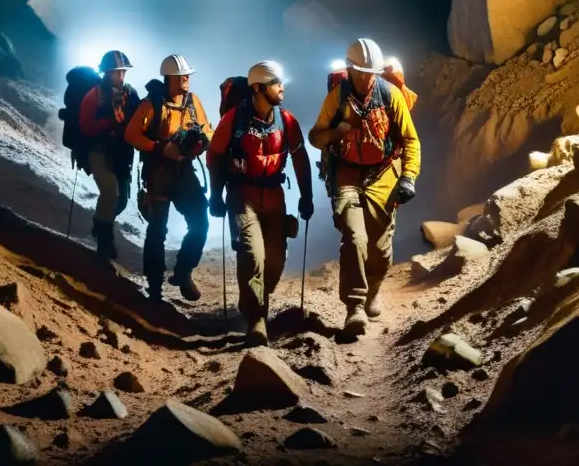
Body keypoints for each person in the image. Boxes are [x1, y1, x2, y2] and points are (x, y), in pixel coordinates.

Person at [309, 38, 421, 337]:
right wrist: (338, 130)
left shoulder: (391, 95)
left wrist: (408, 177)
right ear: (349, 69)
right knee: (355, 237)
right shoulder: (337, 97)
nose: (365, 77)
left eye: (370, 71)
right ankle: (355, 306)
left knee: (381, 248)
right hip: (346, 175)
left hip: (384, 175)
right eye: (359, 71)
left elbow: (410, 140)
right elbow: (315, 137)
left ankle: (373, 292)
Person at [207, 61, 314, 346]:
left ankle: (260, 298)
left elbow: (300, 158)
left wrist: (307, 195)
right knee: (252, 254)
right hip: (243, 195)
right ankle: (256, 319)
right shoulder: (234, 119)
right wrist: (215, 195)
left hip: (275, 196)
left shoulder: (287, 121)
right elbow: (215, 156)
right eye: (276, 83)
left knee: (275, 261)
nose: (282, 88)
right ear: (258, 88)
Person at [125, 54, 214, 302]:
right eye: (182, 75)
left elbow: (207, 130)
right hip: (159, 171)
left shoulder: (193, 102)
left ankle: (183, 272)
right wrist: (159, 147)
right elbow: (132, 135)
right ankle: (155, 289)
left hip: (184, 171)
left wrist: (201, 144)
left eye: (187, 75)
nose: (187, 78)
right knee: (157, 230)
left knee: (200, 221)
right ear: (169, 78)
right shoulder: (151, 104)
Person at [77, 50, 140, 263]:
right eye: (116, 72)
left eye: (123, 71)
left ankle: (102, 224)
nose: (121, 76)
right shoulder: (94, 95)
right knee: (110, 192)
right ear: (106, 73)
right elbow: (86, 126)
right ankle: (103, 240)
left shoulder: (131, 95)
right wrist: (107, 126)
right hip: (99, 151)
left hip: (121, 155)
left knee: (121, 199)